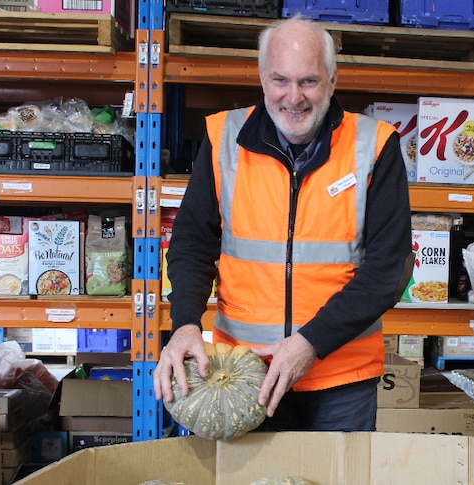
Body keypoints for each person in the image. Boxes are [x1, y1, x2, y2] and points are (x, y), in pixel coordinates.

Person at [153, 15, 413, 432]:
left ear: (331, 80)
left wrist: (311, 343)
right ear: (261, 77)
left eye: (309, 81)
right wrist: (184, 323)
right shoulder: (224, 138)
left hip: (341, 378)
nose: (294, 97)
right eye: (280, 80)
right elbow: (191, 243)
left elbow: (390, 268)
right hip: (243, 374)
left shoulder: (375, 145)